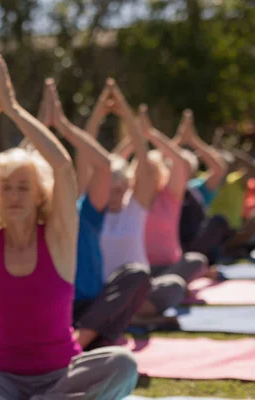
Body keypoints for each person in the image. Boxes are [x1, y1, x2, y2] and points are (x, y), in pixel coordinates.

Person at [0, 55, 137, 400]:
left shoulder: (57, 237)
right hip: (2, 382)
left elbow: (64, 168)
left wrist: (15, 110)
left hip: (61, 378)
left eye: (23, 187)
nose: (14, 194)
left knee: (123, 364)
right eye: (6, 187)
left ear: (40, 194)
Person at [72, 80, 154, 349]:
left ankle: (84, 340)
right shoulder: (91, 211)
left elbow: (144, 161)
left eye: (121, 188)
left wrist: (126, 113)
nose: (116, 193)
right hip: (94, 300)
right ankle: (86, 341)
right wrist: (97, 112)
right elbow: (85, 156)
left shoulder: (135, 209)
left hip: (128, 295)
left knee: (147, 278)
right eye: (111, 188)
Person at [133, 108, 209, 319]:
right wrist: (136, 137)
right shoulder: (130, 200)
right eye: (143, 172)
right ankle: (141, 306)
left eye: (152, 172)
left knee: (194, 263)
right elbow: (110, 163)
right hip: (140, 272)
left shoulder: (169, 196)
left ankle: (142, 305)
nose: (148, 177)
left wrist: (150, 135)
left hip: (170, 267)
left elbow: (180, 162)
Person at [174, 111, 230, 263]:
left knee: (218, 221)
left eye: (185, 169)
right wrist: (178, 141)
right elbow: (156, 160)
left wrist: (193, 140)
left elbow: (219, 169)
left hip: (193, 246)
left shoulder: (197, 189)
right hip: (171, 245)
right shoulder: (161, 191)